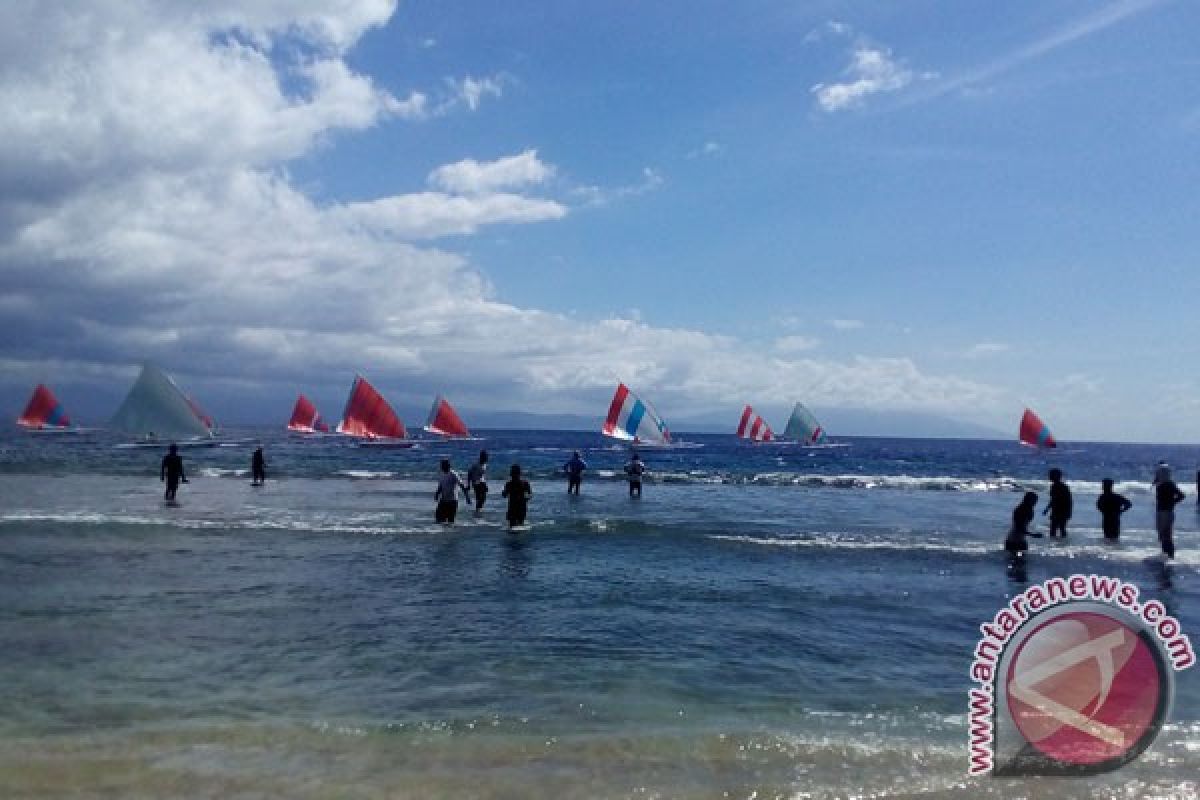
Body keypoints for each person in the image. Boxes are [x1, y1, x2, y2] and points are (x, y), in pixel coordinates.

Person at [1154, 464, 1185, 560]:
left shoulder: (1168, 484)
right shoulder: (1164, 483)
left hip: (1165, 512)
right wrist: (1172, 503)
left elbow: (1181, 495)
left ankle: (1169, 555)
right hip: (1164, 511)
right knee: (1164, 535)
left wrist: (1172, 503)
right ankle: (1166, 554)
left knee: (1165, 535)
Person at [434, 458, 470, 524]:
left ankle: (450, 533)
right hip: (443, 500)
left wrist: (467, 497)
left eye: (443, 465)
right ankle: (442, 532)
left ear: (448, 465)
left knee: (450, 521)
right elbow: (441, 486)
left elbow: (462, 485)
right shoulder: (442, 474)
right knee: (438, 517)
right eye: (441, 465)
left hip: (452, 501)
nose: (441, 467)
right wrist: (437, 494)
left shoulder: (453, 474)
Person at [1006, 491, 1041, 558]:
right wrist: (1033, 535)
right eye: (1034, 501)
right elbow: (1019, 527)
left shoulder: (1029, 510)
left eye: (1036, 501)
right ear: (1027, 500)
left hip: (1019, 540)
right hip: (1014, 541)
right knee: (1019, 563)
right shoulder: (1021, 510)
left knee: (1020, 563)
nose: (1035, 503)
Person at [1043, 468, 1072, 537]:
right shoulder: (1056, 486)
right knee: (1059, 528)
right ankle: (1061, 543)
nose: (1049, 477)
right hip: (1058, 510)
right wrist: (1047, 509)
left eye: (1051, 475)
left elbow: (1056, 499)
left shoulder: (1060, 487)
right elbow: (1053, 499)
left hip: (1061, 510)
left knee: (1057, 528)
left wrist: (1047, 509)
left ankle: (1058, 543)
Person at [502, 464, 533, 529]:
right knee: (520, 527)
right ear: (520, 473)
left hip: (513, 507)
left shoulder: (509, 484)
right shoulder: (525, 483)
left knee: (513, 527)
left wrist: (504, 493)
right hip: (521, 507)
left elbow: (504, 495)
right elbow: (530, 494)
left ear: (511, 474)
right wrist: (527, 498)